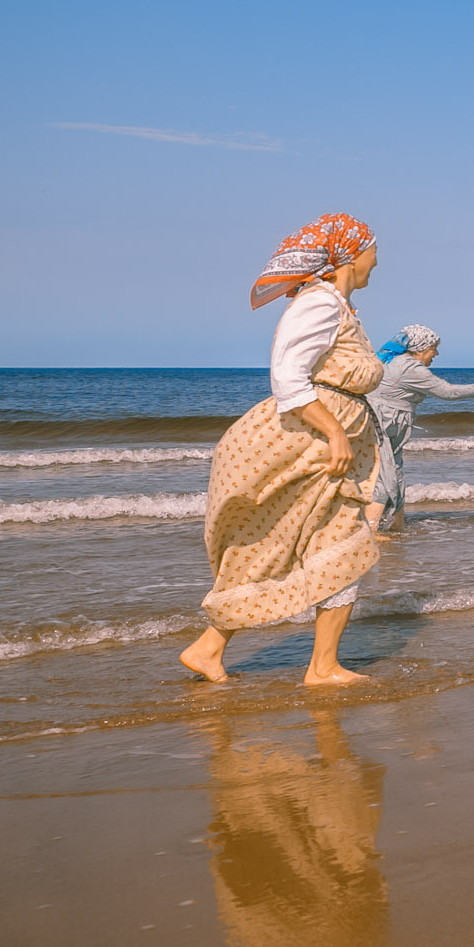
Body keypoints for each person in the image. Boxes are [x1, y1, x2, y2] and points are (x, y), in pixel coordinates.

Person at [179, 213, 386, 687]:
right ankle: (320, 667)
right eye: (374, 250)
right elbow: (287, 376)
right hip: (308, 446)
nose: (378, 261)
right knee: (314, 542)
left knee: (315, 544)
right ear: (349, 256)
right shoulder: (319, 304)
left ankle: (212, 649)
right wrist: (335, 433)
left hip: (322, 447)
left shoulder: (335, 304)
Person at [363, 324, 474, 534]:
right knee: (386, 478)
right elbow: (446, 392)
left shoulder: (391, 361)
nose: (436, 353)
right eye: (434, 348)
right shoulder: (409, 368)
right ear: (420, 348)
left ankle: (396, 528)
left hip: (383, 423)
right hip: (385, 425)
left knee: (394, 473)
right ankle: (371, 533)